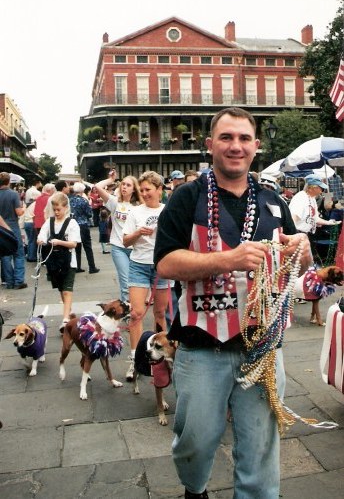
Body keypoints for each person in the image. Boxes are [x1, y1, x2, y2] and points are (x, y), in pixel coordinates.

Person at [154, 107, 312, 499]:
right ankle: (196, 489)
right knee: (194, 443)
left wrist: (303, 252)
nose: (235, 146)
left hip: (262, 348)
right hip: (201, 346)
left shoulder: (274, 203)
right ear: (210, 145)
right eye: (226, 138)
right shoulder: (186, 199)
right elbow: (166, 262)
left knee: (260, 449)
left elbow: (297, 260)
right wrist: (228, 259)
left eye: (244, 139)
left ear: (256, 147)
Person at [123, 171, 169, 381]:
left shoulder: (168, 211)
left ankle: (162, 355)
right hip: (139, 265)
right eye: (141, 190)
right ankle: (135, 359)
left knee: (160, 313)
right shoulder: (135, 212)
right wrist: (138, 233)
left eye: (148, 189)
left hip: (161, 266)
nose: (144, 193)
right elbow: (125, 242)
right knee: (136, 313)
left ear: (159, 190)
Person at [37, 192, 81, 333]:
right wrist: (41, 240)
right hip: (54, 262)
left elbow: (74, 244)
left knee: (67, 291)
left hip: (69, 262)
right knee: (61, 290)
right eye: (54, 209)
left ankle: (65, 320)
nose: (56, 212)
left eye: (59, 209)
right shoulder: (49, 222)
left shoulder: (72, 223)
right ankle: (69, 312)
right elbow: (42, 234)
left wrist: (60, 242)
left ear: (65, 208)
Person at [95, 173, 142, 301]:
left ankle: (132, 307)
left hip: (136, 248)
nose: (124, 187)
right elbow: (98, 187)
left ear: (134, 189)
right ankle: (127, 311)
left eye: (128, 185)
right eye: (123, 184)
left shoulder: (139, 205)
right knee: (125, 280)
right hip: (118, 246)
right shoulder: (115, 201)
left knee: (135, 282)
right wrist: (111, 180)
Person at [0, 172, 27, 289]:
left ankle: (9, 281)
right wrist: (24, 207)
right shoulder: (14, 194)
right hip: (12, 226)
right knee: (18, 253)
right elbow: (19, 212)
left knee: (5, 255)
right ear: (9, 181)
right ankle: (19, 281)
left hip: (1, 228)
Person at [69, 182, 100, 274]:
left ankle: (77, 267)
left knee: (77, 246)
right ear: (82, 190)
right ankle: (92, 267)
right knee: (87, 246)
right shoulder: (84, 201)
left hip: (73, 225)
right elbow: (89, 214)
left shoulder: (70, 200)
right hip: (83, 225)